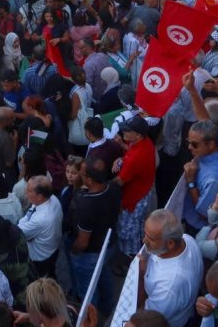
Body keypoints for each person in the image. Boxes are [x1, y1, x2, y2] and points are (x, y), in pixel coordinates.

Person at [70, 157, 121, 316]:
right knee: (104, 275)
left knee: (88, 290)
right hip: (109, 244)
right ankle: (107, 307)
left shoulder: (87, 205)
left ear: (89, 180)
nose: (79, 175)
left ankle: (90, 318)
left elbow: (83, 242)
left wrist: (74, 250)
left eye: (82, 174)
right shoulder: (113, 187)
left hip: (90, 254)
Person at [140, 209, 203, 327]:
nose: (144, 241)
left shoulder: (169, 285)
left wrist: (141, 276)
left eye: (151, 238)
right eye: (145, 234)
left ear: (170, 243)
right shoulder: (187, 238)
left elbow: (150, 318)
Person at [114, 116, 157, 259]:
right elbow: (131, 153)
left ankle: (130, 258)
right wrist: (122, 148)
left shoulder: (136, 157)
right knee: (138, 226)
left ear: (137, 134)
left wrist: (100, 186)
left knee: (127, 231)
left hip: (133, 198)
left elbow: (119, 181)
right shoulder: (145, 142)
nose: (123, 131)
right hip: (143, 192)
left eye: (127, 130)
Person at [182, 120, 218, 234]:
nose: (189, 147)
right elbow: (204, 117)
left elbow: (204, 213)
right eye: (188, 142)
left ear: (211, 144)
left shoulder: (214, 178)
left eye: (194, 144)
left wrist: (191, 181)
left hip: (198, 226)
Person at [17, 175, 63, 278]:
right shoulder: (52, 199)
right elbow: (30, 212)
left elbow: (20, 232)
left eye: (29, 190)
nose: (25, 192)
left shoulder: (41, 219)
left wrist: (21, 222)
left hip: (41, 259)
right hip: (52, 250)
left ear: (39, 196)